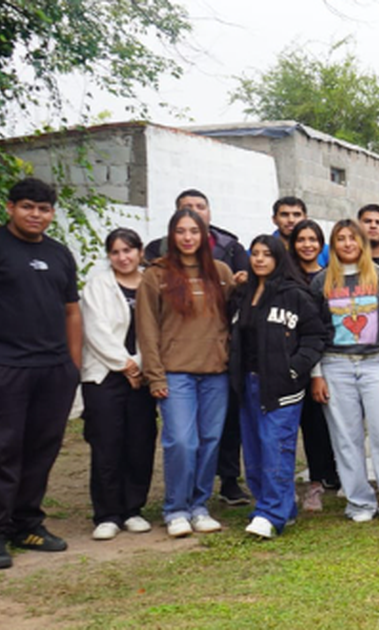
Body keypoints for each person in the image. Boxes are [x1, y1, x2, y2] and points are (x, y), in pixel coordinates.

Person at [144, 189, 249, 506]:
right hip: (176, 374)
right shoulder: (156, 274)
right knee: (181, 442)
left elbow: (234, 317)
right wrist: (155, 375)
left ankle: (199, 504)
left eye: (194, 231)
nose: (188, 237)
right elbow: (147, 328)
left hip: (215, 373)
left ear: (205, 235)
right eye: (181, 231)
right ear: (171, 235)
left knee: (209, 441)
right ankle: (176, 507)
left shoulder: (221, 273)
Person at [0, 178, 82, 567]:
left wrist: (72, 366)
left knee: (41, 450)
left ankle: (26, 524)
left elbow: (71, 311)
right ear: (10, 207)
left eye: (44, 209)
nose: (36, 215)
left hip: (53, 370)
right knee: (4, 450)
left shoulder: (59, 254)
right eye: (28, 207)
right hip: (7, 367)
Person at [310, 219, 379, 523]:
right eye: (340, 238)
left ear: (362, 242)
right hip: (335, 364)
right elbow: (313, 331)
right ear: (333, 244)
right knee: (346, 437)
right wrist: (316, 374)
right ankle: (359, 502)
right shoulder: (322, 281)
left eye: (352, 238)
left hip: (377, 362)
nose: (347, 244)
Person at [228, 235, 327, 539]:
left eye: (266, 254)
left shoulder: (295, 294)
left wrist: (294, 369)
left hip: (282, 386)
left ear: (278, 259)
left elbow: (316, 336)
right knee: (254, 450)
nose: (259, 259)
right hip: (248, 383)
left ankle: (271, 514)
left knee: (276, 447)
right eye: (255, 254)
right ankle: (278, 506)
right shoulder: (242, 293)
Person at [80, 228, 157, 541]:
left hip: (144, 374)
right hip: (104, 375)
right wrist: (125, 365)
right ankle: (107, 514)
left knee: (140, 442)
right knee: (107, 443)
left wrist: (139, 365)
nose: (123, 257)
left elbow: (160, 327)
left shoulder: (152, 282)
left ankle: (133, 509)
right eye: (115, 252)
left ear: (140, 251)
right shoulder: (98, 285)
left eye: (128, 250)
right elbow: (95, 330)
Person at [286, 220, 340, 511]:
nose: (307, 245)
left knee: (318, 423)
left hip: (323, 359)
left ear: (321, 244)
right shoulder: (284, 277)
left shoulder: (330, 277)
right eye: (301, 239)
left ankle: (321, 478)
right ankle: (287, 484)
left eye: (313, 239)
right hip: (289, 360)